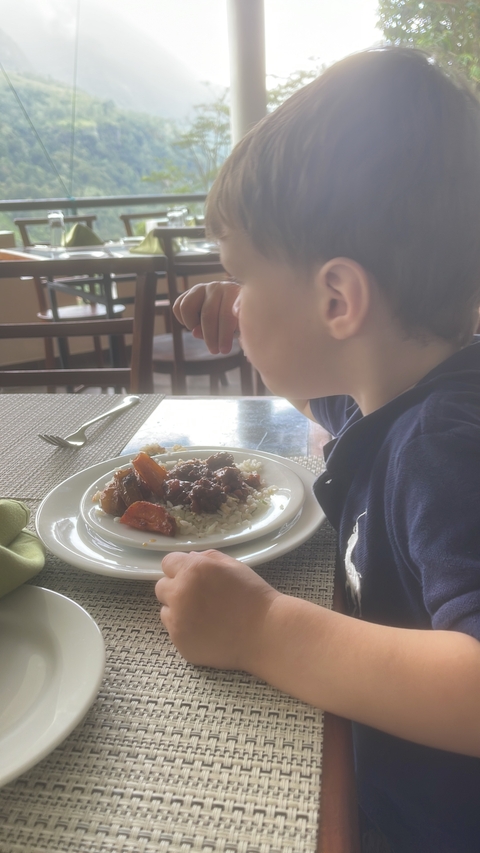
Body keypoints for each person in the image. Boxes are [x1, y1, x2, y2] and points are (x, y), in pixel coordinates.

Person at [155, 47, 480, 853]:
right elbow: (320, 395)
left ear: (338, 297)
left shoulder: (443, 448)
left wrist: (265, 628)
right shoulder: (398, 394)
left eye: (240, 273)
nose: (233, 294)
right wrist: (250, 309)